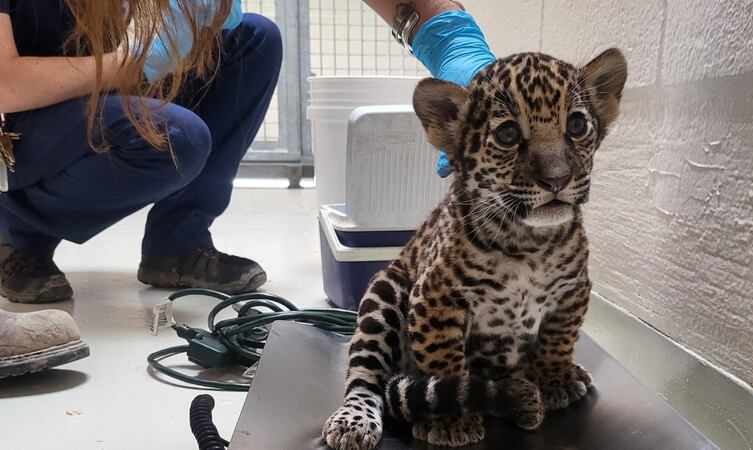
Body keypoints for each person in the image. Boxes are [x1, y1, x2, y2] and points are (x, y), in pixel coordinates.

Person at [0, 0, 494, 377]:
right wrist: (138, 61)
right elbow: (6, 83)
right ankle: (16, 230)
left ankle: (177, 244)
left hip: (78, 93)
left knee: (253, 39)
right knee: (174, 139)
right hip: (13, 119)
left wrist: (455, 45)